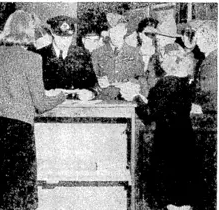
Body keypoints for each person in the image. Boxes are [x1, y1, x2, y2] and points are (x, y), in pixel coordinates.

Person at [0, 10, 66, 210]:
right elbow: (41, 104)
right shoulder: (32, 59)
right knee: (18, 200)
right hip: (18, 132)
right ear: (29, 31)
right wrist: (63, 95)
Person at [134, 44, 200, 210]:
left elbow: (150, 113)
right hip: (185, 138)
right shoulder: (185, 81)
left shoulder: (165, 84)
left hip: (168, 142)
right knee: (184, 194)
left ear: (166, 61)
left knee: (169, 194)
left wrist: (136, 99)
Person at [33, 15, 98, 99]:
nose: (65, 42)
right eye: (61, 38)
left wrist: (91, 93)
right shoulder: (39, 55)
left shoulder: (82, 55)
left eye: (68, 38)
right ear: (53, 33)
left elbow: (93, 84)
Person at [92, 13, 145, 100]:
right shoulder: (97, 53)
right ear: (108, 32)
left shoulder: (135, 53)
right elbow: (92, 80)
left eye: (119, 31)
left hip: (128, 99)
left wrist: (127, 84)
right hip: (104, 100)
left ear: (125, 31)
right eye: (113, 31)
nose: (115, 36)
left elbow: (141, 78)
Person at [193, 20, 217, 210]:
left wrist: (199, 106)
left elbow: (212, 95)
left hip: (209, 124)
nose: (197, 42)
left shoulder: (213, 61)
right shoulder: (208, 60)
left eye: (199, 38)